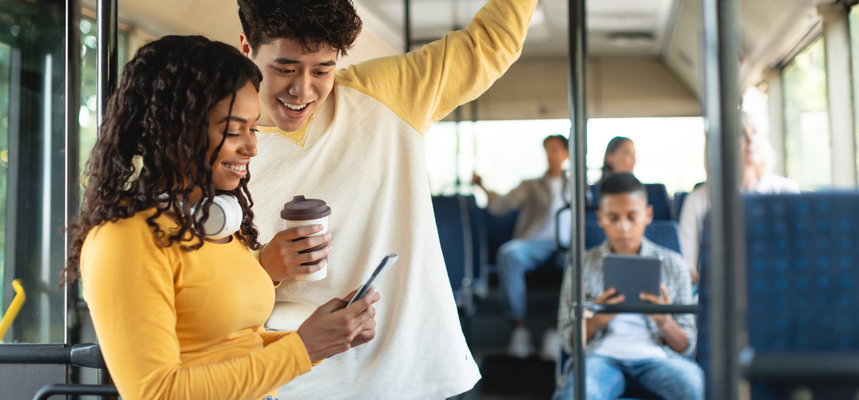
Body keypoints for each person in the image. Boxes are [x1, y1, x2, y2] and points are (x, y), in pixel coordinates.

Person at [236, 0, 538, 397]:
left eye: (322, 70)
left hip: (408, 374)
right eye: (285, 68)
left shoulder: (386, 95)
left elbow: (492, 41)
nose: (303, 89)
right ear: (246, 49)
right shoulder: (216, 146)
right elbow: (202, 286)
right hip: (292, 383)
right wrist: (265, 268)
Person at [63, 36, 379, 400]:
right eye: (232, 131)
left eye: (253, 128)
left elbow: (238, 346)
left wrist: (323, 337)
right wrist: (304, 349)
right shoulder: (123, 239)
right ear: (173, 129)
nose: (251, 146)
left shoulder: (221, 227)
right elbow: (156, 392)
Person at [556, 173, 701, 400]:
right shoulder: (581, 267)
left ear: (648, 215)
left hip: (658, 358)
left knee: (696, 387)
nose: (623, 228)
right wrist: (597, 319)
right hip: (600, 357)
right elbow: (568, 342)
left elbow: (686, 345)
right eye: (613, 218)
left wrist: (663, 319)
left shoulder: (673, 264)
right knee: (581, 393)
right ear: (600, 218)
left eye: (632, 217)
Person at [471, 134, 569, 360]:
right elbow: (502, 205)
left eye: (555, 149)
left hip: (566, 245)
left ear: (566, 154)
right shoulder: (531, 185)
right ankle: (519, 329)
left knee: (578, 260)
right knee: (508, 254)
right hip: (534, 243)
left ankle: (556, 330)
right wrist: (482, 186)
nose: (550, 155)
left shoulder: (577, 186)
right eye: (547, 150)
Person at [679, 114, 799, 283]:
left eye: (755, 133)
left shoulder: (786, 191)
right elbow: (687, 268)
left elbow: (798, 256)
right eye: (740, 134)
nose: (751, 140)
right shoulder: (697, 201)